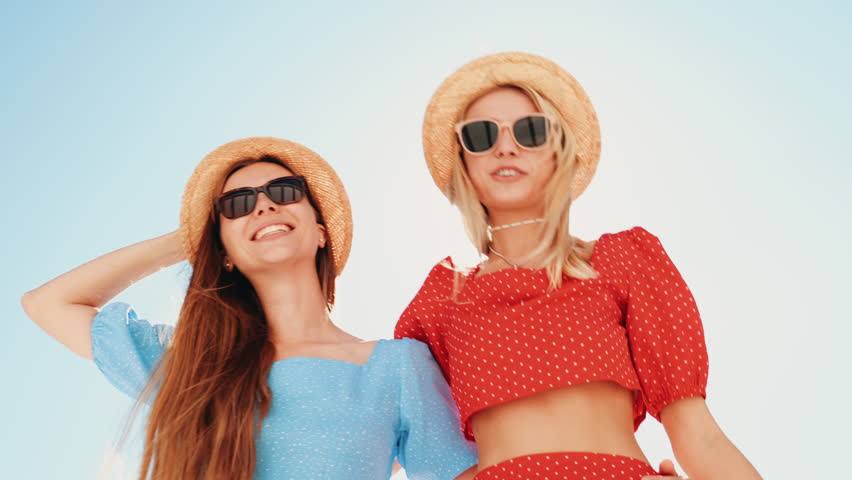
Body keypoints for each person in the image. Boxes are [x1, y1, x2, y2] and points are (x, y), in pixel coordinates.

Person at [395, 52, 761, 480]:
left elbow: (701, 435)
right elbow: (404, 444)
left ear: (560, 151)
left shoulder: (624, 261)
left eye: (531, 131)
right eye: (481, 135)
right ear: (464, 160)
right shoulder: (441, 301)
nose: (505, 146)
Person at [22, 137, 477, 480]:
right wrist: (185, 240)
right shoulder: (191, 364)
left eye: (284, 190)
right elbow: (49, 303)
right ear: (222, 252)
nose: (263, 205)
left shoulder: (399, 366)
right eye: (237, 205)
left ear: (320, 231)